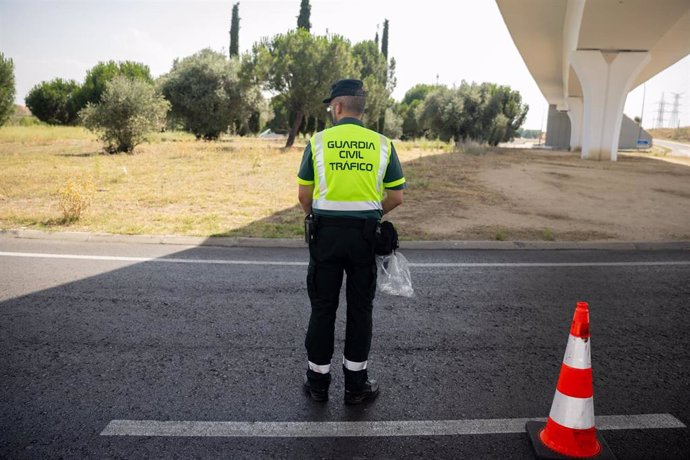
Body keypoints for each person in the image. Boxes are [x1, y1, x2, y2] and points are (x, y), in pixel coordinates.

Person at [296, 79, 406, 404]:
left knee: (323, 308)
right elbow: (396, 196)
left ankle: (318, 384)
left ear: (338, 107)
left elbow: (304, 195)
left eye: (331, 106)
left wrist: (317, 214)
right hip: (365, 238)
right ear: (361, 109)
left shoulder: (318, 142)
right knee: (360, 310)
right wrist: (372, 213)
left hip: (326, 236)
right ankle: (356, 387)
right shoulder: (383, 144)